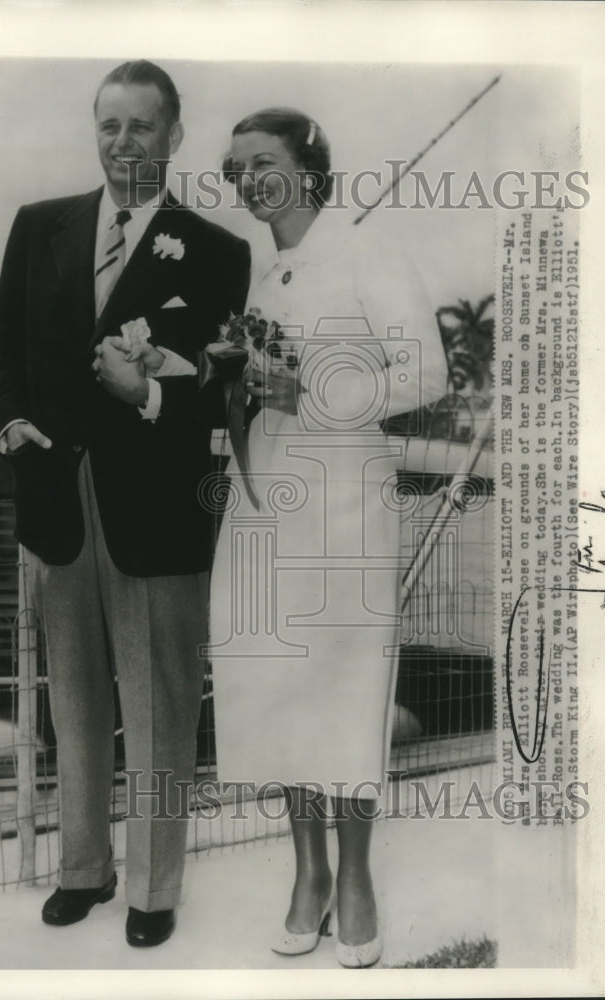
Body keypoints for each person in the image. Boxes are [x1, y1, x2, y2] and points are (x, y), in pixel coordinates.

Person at [0, 60, 250, 948]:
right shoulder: (39, 227)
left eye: (141, 126)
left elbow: (216, 389)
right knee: (77, 703)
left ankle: (153, 891)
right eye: (109, 125)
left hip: (159, 512)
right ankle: (83, 872)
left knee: (164, 704)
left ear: (174, 135)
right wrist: (14, 424)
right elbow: (5, 350)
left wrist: (147, 393)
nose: (122, 143)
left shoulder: (217, 251)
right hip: (59, 499)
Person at [208, 108, 448, 967]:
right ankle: (307, 872)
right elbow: (252, 382)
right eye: (235, 169)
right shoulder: (264, 276)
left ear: (309, 167)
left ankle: (354, 878)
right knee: (276, 687)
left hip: (345, 502)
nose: (246, 180)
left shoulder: (365, 248)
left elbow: (426, 368)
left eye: (262, 162)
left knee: (342, 692)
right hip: (265, 498)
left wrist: (307, 387)